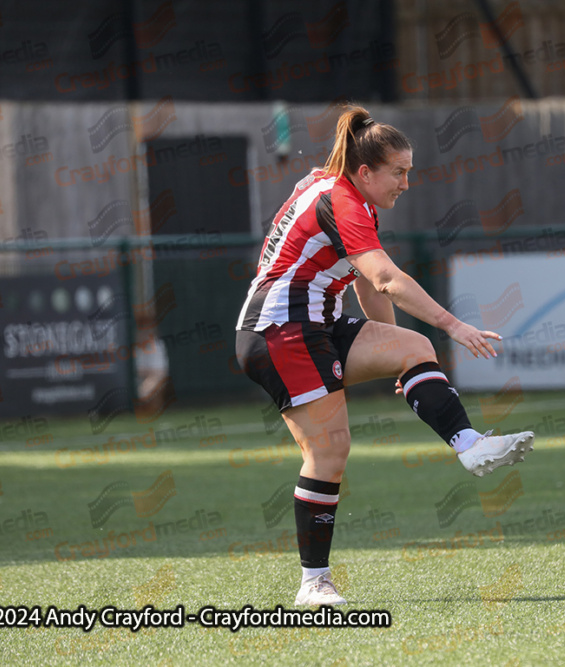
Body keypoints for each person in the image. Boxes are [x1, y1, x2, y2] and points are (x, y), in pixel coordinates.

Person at [235, 105, 534, 606]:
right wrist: (455, 325)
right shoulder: (342, 199)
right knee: (329, 452)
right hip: (280, 331)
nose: (406, 184)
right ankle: (314, 584)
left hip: (315, 324)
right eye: (399, 172)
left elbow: (370, 289)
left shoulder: (343, 192)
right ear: (366, 171)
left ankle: (469, 444)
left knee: (416, 348)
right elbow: (386, 279)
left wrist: (396, 357)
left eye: (409, 172)